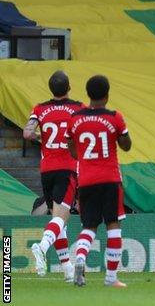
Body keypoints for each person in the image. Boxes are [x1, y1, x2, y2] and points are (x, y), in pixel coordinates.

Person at [65, 75, 132, 287]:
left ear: (88, 94)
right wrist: (121, 133)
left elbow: (72, 150)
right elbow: (126, 146)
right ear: (107, 94)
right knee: (113, 225)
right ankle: (111, 279)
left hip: (86, 180)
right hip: (110, 178)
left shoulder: (75, 119)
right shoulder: (114, 117)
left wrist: (85, 157)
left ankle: (81, 258)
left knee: (89, 226)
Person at [27, 70, 85, 281]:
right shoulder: (78, 108)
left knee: (58, 220)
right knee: (61, 217)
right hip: (67, 167)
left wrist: (42, 139)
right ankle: (42, 246)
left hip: (46, 169)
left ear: (51, 89)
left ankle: (68, 269)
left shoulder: (40, 109)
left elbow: (26, 133)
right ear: (69, 87)